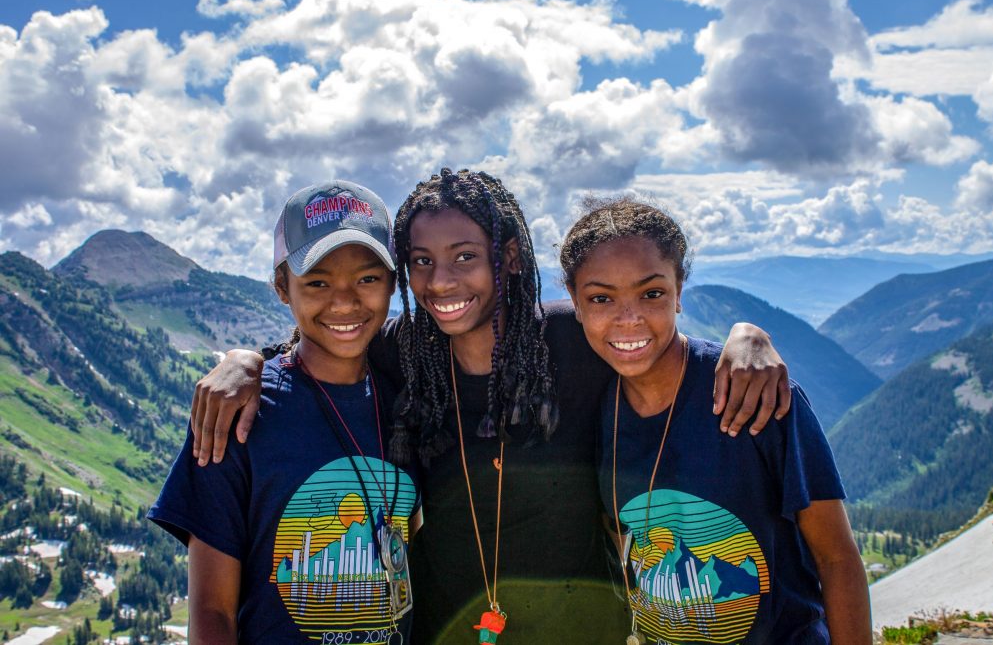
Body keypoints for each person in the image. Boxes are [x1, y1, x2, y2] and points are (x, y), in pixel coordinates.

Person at [189, 169, 792, 643]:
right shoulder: (403, 357)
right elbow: (325, 342)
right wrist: (247, 361)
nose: (441, 282)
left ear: (505, 256)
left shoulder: (572, 345)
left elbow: (647, 336)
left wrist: (747, 338)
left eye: (465, 257)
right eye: (421, 262)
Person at [561, 198, 871, 644]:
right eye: (601, 298)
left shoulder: (754, 395)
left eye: (651, 294)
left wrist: (751, 332)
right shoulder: (594, 407)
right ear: (575, 300)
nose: (628, 319)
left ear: (680, 290)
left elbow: (837, 560)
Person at [148, 180, 421, 644]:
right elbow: (212, 612)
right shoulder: (239, 416)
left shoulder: (409, 399)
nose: (345, 301)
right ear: (281, 287)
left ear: (394, 283)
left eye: (368, 278)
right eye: (317, 282)